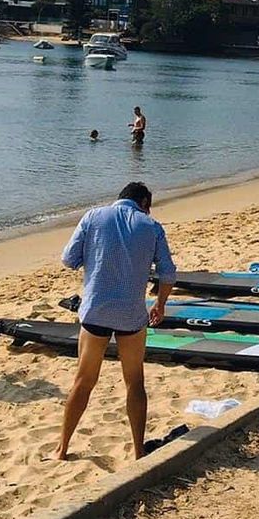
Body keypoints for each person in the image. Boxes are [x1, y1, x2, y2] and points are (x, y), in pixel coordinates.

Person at [56, 181, 176, 460]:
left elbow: (68, 259)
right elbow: (168, 274)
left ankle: (62, 449)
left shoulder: (93, 216)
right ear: (144, 203)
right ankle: (137, 450)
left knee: (83, 381)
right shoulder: (152, 227)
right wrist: (160, 304)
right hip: (131, 315)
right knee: (135, 382)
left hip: (96, 310)